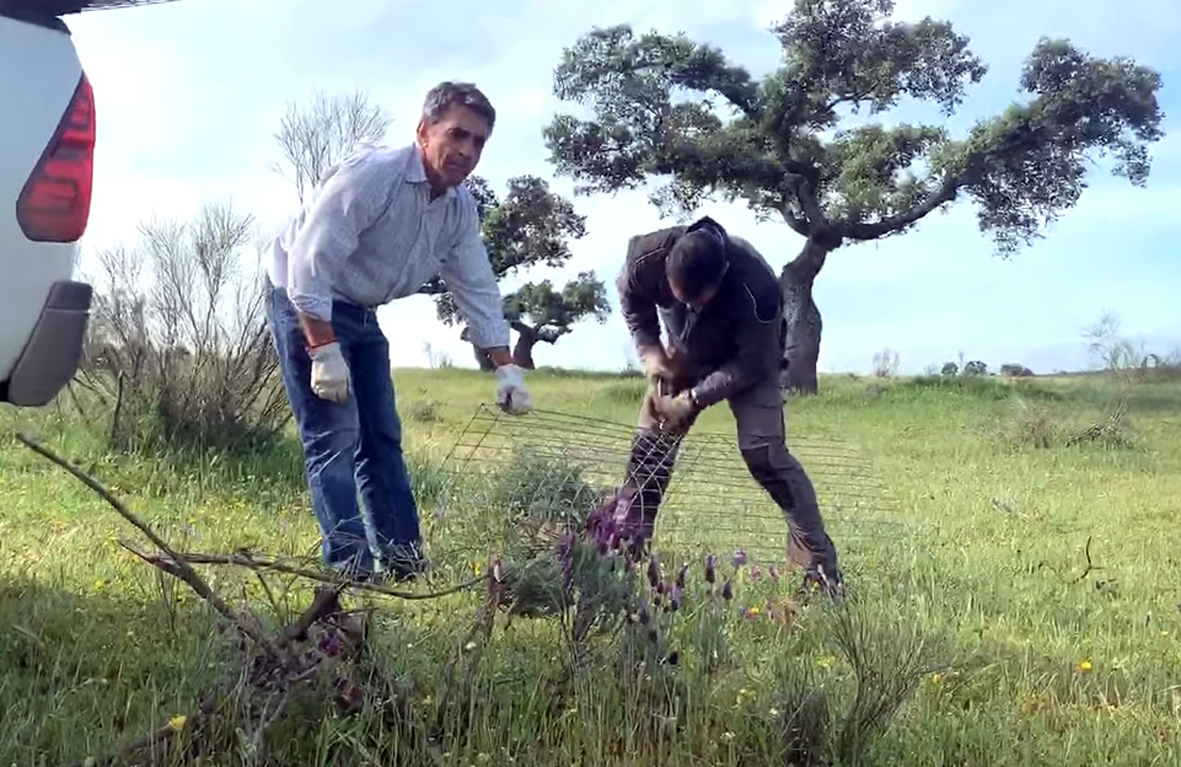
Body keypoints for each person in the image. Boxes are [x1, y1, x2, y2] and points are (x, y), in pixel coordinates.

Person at [266, 81, 533, 583]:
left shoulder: (458, 209)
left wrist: (507, 369)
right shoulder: (375, 177)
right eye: (457, 135)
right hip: (304, 298)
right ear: (423, 131)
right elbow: (307, 261)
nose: (467, 151)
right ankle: (353, 573)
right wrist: (323, 349)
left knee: (382, 439)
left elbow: (475, 285)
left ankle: (406, 567)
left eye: (478, 142)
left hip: (361, 309)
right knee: (334, 436)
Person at [612, 215, 844, 600]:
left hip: (747, 361)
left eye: (699, 299)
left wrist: (692, 400)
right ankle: (622, 555)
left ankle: (818, 569)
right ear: (668, 267)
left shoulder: (759, 288)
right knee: (648, 450)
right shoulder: (647, 255)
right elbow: (631, 297)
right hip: (682, 353)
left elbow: (753, 364)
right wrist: (651, 354)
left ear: (720, 278)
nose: (690, 305)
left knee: (764, 452)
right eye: (680, 296)